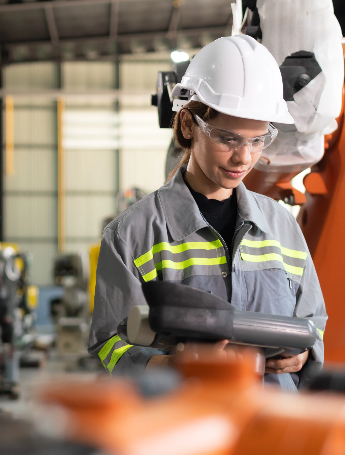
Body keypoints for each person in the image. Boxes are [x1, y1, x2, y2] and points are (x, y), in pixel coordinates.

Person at [88, 35, 327, 391]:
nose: (243, 158)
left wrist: (303, 355)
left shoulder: (282, 227)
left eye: (257, 140)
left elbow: (313, 323)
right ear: (188, 125)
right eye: (228, 138)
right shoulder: (131, 235)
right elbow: (109, 344)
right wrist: (173, 366)